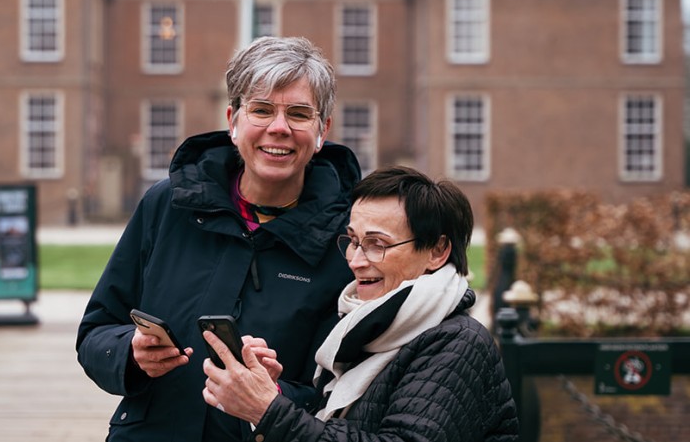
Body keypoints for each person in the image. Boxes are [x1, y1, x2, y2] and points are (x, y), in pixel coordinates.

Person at [76, 36, 361, 441]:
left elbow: (347, 386)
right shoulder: (168, 204)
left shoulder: (348, 239)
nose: (279, 128)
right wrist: (129, 351)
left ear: (321, 131)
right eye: (261, 110)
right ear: (233, 120)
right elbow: (97, 331)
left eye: (299, 114)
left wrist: (273, 396)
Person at [202, 166, 520, 441]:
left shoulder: (459, 343)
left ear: (437, 252)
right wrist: (272, 392)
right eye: (353, 241)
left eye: (376, 245)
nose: (355, 261)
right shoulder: (367, 325)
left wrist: (268, 410)